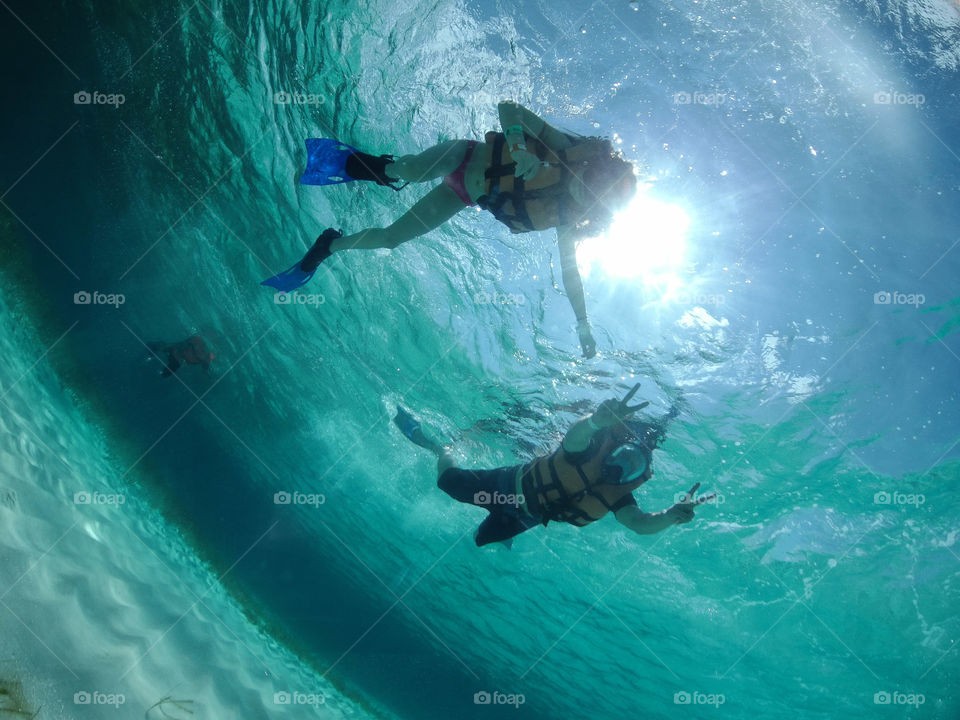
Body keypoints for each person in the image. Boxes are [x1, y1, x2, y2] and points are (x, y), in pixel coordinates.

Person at [266, 101, 638, 358]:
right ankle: (366, 166)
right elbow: (509, 107)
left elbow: (571, 274)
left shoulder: (568, 215)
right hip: (464, 155)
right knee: (409, 171)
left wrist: (584, 323)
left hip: (461, 195)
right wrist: (520, 148)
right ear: (594, 167)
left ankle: (328, 246)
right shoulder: (565, 149)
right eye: (593, 180)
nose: (587, 189)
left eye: (596, 197)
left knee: (392, 239)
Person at [393, 384, 714, 548]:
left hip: (528, 516)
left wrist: (671, 517)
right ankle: (440, 446)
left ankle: (503, 531)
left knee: (480, 540)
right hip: (503, 489)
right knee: (447, 481)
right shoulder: (588, 452)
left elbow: (641, 523)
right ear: (615, 450)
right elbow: (574, 439)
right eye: (623, 456)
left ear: (638, 474)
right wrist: (596, 421)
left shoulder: (619, 496)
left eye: (631, 466)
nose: (620, 468)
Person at [147, 335, 214, 378]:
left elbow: (205, 369)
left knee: (165, 374)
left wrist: (207, 375)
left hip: (178, 360)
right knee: (159, 347)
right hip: (175, 352)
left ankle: (156, 375)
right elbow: (182, 344)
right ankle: (154, 345)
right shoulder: (198, 340)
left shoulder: (208, 357)